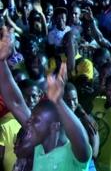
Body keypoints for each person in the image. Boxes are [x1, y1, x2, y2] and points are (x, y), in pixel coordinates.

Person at [0, 27, 91, 171]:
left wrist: (59, 102)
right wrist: (1, 61)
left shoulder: (70, 154)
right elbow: (16, 103)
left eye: (35, 120)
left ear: (54, 126)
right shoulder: (39, 147)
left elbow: (82, 142)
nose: (28, 121)